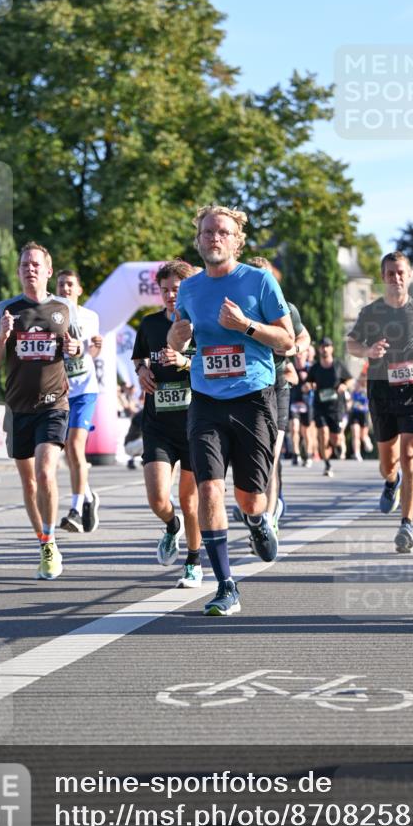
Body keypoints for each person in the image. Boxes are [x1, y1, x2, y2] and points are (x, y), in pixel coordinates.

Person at [167, 204, 294, 616]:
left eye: (222, 232)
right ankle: (226, 585)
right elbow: (177, 339)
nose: (214, 238)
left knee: (250, 499)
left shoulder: (259, 281)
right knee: (209, 488)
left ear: (237, 240)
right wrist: (176, 336)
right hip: (205, 399)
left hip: (253, 398)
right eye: (207, 232)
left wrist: (247, 327)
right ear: (198, 239)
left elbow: (287, 341)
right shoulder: (189, 289)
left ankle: (258, 521)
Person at [0, 243, 82, 579]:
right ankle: (43, 539)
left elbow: (79, 349)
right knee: (28, 483)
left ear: (48, 270)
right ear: (18, 271)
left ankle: (52, 542)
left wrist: (76, 347)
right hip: (17, 407)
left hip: (54, 404)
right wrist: (2, 336)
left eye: (36, 265)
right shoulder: (6, 309)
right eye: (24, 265)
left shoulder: (64, 309)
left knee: (44, 472)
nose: (30, 269)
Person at [347, 251, 413, 553]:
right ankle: (391, 482)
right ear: (383, 276)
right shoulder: (371, 312)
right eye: (391, 273)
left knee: (410, 454)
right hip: (381, 392)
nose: (396, 278)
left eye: (401, 272)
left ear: (409, 275)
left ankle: (407, 524)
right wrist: (368, 351)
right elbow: (351, 343)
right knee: (388, 462)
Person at [132, 259, 204, 587]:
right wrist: (142, 371)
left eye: (176, 289)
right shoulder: (148, 325)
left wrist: (186, 362)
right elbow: (139, 357)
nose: (170, 295)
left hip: (194, 423)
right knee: (158, 498)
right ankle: (171, 526)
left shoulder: (201, 322)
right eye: (165, 290)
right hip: (158, 422)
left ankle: (193, 561)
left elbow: (213, 362)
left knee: (190, 500)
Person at [245, 257, 310, 529]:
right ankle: (257, 507)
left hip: (278, 385)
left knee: (271, 453)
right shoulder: (239, 310)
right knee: (249, 456)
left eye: (266, 278)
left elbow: (304, 337)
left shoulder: (287, 309)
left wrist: (293, 350)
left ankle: (267, 522)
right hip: (246, 388)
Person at [55, 268, 103, 534]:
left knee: (74, 447)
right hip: (58, 392)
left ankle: (75, 509)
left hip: (84, 389)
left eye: (70, 284)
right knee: (68, 452)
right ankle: (88, 496)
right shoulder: (50, 315)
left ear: (79, 289)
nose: (66, 289)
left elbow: (94, 349)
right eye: (61, 284)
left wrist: (88, 348)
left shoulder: (89, 316)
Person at [304, 338, 352, 477]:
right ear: (319, 349)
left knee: (335, 438)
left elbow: (349, 379)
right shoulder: (315, 368)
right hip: (320, 406)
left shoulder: (338, 365)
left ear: (332, 349)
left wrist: (344, 385)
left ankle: (333, 446)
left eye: (327, 346)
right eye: (322, 346)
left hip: (336, 407)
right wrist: (308, 386)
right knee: (323, 434)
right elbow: (308, 383)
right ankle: (327, 464)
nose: (325, 349)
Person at [349, 375, 373, 461]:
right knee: (355, 434)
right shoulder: (353, 390)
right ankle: (357, 453)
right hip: (354, 414)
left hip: (364, 414)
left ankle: (366, 440)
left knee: (363, 435)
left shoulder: (367, 390)